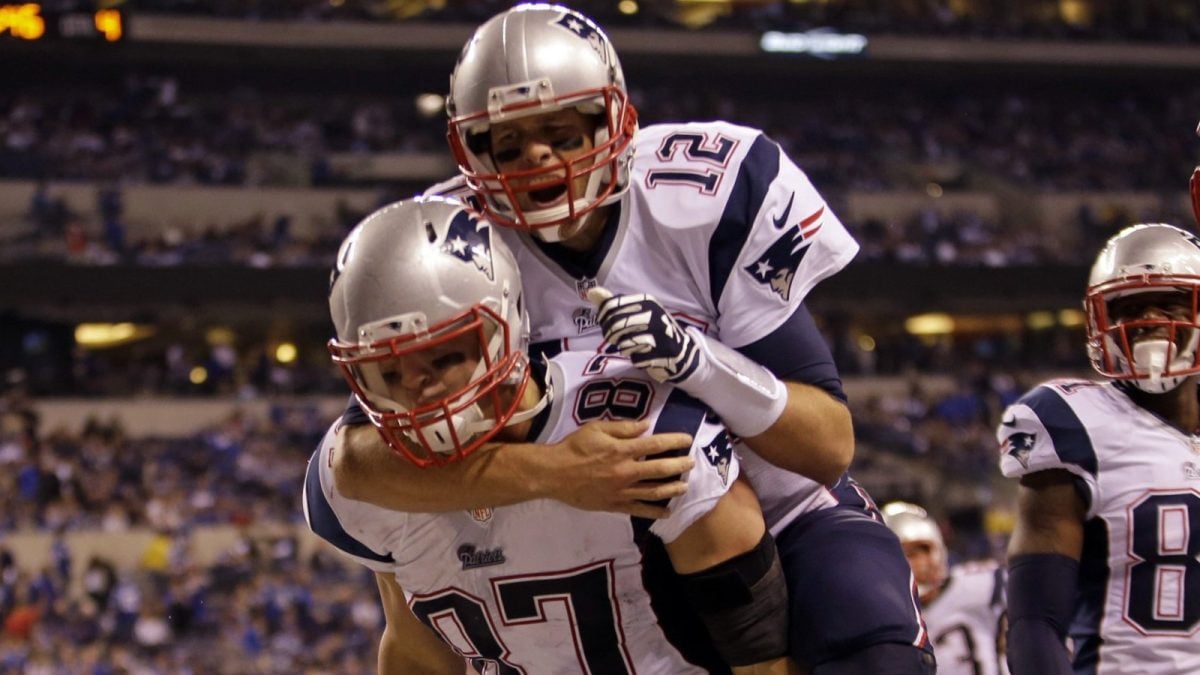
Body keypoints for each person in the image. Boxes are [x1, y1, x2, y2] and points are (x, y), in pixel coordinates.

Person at [332, 4, 935, 673]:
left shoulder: (707, 193)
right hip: (611, 526)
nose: (537, 157)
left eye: (561, 131)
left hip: (779, 504)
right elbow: (359, 462)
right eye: (508, 144)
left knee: (874, 646)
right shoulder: (451, 247)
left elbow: (826, 448)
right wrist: (560, 472)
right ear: (469, 149)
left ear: (614, 117)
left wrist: (697, 362)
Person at [306, 196, 797, 674]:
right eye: (389, 374)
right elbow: (419, 654)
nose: (421, 394)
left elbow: (763, 660)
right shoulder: (366, 483)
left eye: (444, 358)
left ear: (509, 326)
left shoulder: (642, 432)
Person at [999, 222, 1200, 674]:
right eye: (1129, 309)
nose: (1150, 322)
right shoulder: (1076, 421)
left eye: (1170, 305)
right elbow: (1035, 623)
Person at [883, 502, 1008, 675]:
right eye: (903, 554)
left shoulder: (979, 585)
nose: (914, 563)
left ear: (939, 549)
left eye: (919, 551)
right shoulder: (883, 620)